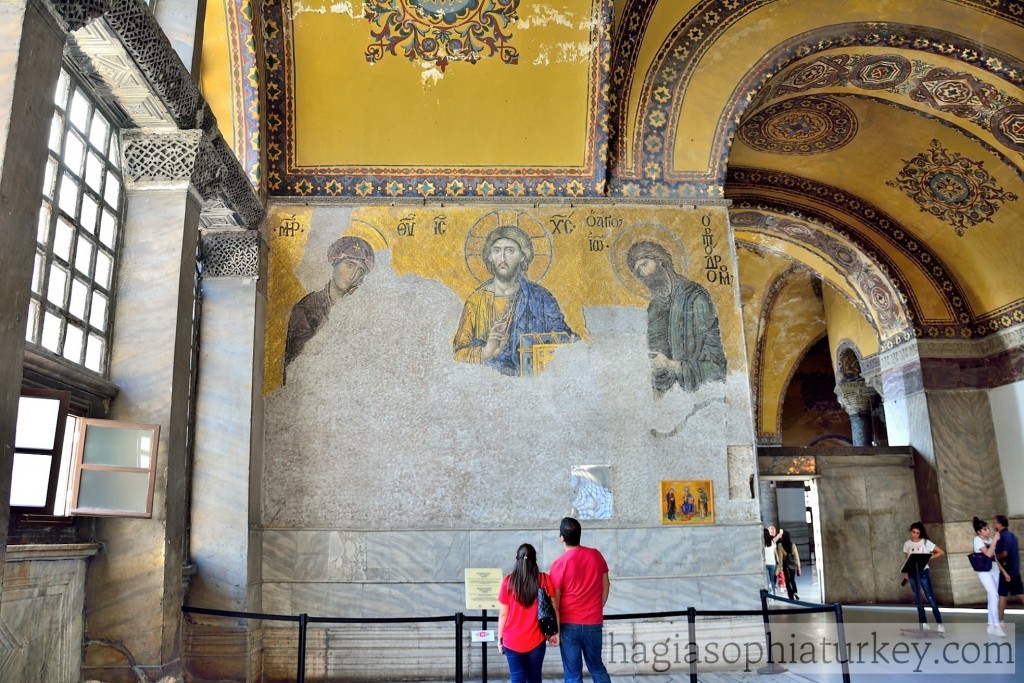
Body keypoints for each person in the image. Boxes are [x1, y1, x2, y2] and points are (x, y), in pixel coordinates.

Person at [453, 225, 575, 375]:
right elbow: (458, 354)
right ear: (490, 256)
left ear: (522, 256)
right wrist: (486, 351)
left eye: (510, 251)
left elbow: (566, 341)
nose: (502, 259)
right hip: (489, 383)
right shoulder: (476, 302)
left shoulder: (541, 298)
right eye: (497, 251)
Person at [626, 240, 727, 394]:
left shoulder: (695, 298)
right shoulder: (655, 307)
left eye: (645, 264)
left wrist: (672, 364)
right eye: (638, 271)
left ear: (660, 260)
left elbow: (716, 367)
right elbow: (656, 358)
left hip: (701, 395)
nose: (644, 274)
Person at [284, 235, 375, 372]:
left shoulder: (358, 309)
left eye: (360, 271)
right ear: (335, 262)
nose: (353, 275)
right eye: (350, 265)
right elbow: (294, 360)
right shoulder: (308, 307)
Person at [550, 517, 612, 683]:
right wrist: (597, 608)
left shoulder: (559, 563)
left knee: (572, 674)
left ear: (561, 538)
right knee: (597, 668)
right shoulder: (596, 555)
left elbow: (555, 601)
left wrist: (554, 629)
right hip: (593, 622)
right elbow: (606, 586)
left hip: (568, 624)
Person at [497, 543, 559, 683]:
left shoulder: (508, 582)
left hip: (512, 640)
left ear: (516, 559)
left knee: (516, 678)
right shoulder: (544, 579)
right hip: (536, 639)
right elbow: (554, 609)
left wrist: (500, 639)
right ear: (535, 560)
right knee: (535, 678)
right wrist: (556, 632)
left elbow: (503, 614)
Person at [901, 521, 944, 632]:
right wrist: (906, 573)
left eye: (917, 533)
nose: (915, 535)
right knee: (917, 598)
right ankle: (923, 622)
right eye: (913, 532)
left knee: (930, 597)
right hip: (912, 573)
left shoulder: (925, 542)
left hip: (923, 571)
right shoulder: (907, 544)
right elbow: (907, 560)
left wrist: (928, 558)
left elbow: (940, 552)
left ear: (921, 533)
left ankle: (940, 624)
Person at [973, 517, 1011, 637]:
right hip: (984, 571)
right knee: (995, 596)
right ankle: (996, 625)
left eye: (987, 528)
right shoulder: (977, 540)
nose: (987, 531)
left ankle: (990, 625)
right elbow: (988, 554)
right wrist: (995, 540)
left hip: (995, 570)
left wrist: (1004, 572)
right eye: (984, 529)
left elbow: (994, 558)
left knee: (992, 597)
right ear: (979, 532)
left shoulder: (989, 539)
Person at [993, 515, 1023, 630]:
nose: (993, 525)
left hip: (1007, 570)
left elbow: (1004, 553)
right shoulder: (1012, 536)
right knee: (1004, 595)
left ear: (1000, 524)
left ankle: (999, 621)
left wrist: (993, 557)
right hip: (1013, 569)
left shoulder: (1002, 536)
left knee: (1007, 595)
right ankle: (999, 621)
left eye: (995, 522)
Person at [775, 529, 801, 600]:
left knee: (787, 580)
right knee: (792, 580)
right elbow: (797, 557)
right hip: (793, 565)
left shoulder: (780, 546)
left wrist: (779, 569)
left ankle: (790, 595)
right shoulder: (793, 545)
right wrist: (798, 567)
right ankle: (795, 592)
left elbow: (780, 559)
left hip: (786, 565)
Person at [764, 528, 779, 595]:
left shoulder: (762, 543)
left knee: (767, 580)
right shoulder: (772, 542)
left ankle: (768, 594)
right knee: (772, 579)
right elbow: (774, 552)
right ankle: (774, 594)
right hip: (772, 562)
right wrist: (777, 559)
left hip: (765, 563)